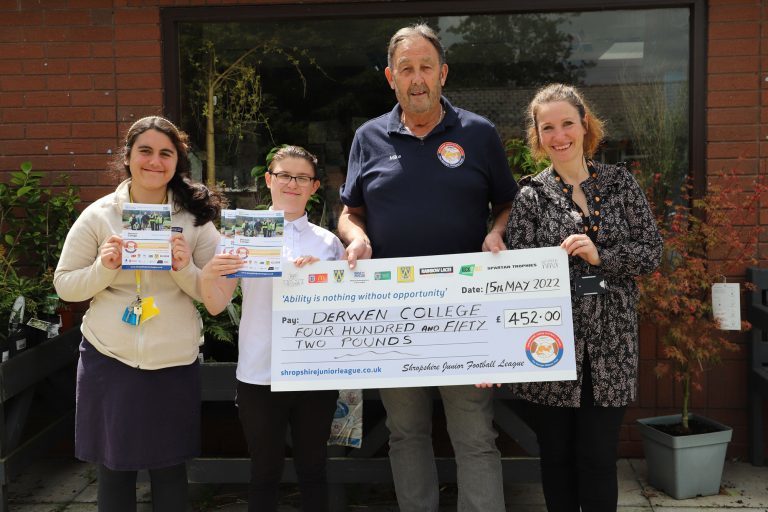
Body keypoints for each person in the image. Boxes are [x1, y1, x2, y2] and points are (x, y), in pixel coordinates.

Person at [338, 23, 518, 512]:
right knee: (406, 432)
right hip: (392, 313)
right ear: (389, 77)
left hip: (468, 311)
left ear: (442, 73)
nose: (416, 79)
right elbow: (349, 211)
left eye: (425, 68)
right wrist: (357, 239)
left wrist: (498, 230)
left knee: (475, 434)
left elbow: (506, 201)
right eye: (405, 69)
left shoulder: (478, 133)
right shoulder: (368, 137)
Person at [53, 116, 225, 512]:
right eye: (144, 151)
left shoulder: (194, 218)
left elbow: (214, 294)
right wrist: (104, 268)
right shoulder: (99, 215)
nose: (154, 161)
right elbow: (65, 284)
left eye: (166, 153)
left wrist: (185, 269)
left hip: (173, 360)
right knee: (114, 471)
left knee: (170, 472)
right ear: (127, 157)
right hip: (110, 358)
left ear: (177, 162)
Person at [505, 83, 663, 511]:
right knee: (556, 459)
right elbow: (515, 275)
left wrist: (602, 256)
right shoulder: (530, 196)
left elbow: (651, 252)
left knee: (596, 459)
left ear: (584, 125)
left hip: (611, 345)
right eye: (548, 127)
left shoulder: (620, 183)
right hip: (549, 347)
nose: (559, 136)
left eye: (567, 124)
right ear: (537, 136)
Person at [200, 145, 344, 512]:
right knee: (264, 471)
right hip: (258, 370)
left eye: (302, 178)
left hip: (315, 373)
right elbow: (217, 304)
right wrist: (209, 273)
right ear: (269, 180)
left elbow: (343, 310)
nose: (292, 184)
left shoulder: (328, 243)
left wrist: (321, 276)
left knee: (314, 469)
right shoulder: (243, 234)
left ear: (314, 187)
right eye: (284, 175)